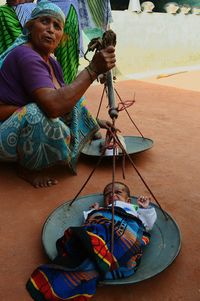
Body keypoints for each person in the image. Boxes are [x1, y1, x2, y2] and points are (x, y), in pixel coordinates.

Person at [0, 0, 116, 188]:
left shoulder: (51, 62)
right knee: (36, 113)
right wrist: (93, 69)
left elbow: (66, 98)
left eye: (57, 26)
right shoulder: (26, 56)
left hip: (16, 123)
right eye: (44, 21)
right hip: (4, 130)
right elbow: (54, 107)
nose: (50, 30)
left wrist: (93, 120)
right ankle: (27, 168)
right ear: (30, 27)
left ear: (61, 37)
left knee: (72, 96)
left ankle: (85, 134)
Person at [26, 182, 157, 300]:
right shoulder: (101, 210)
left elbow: (147, 225)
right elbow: (90, 223)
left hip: (125, 235)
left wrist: (145, 208)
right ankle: (94, 258)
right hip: (100, 237)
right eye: (108, 194)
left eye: (118, 192)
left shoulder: (133, 210)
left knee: (113, 239)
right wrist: (92, 211)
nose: (112, 195)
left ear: (128, 200)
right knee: (88, 238)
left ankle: (99, 259)